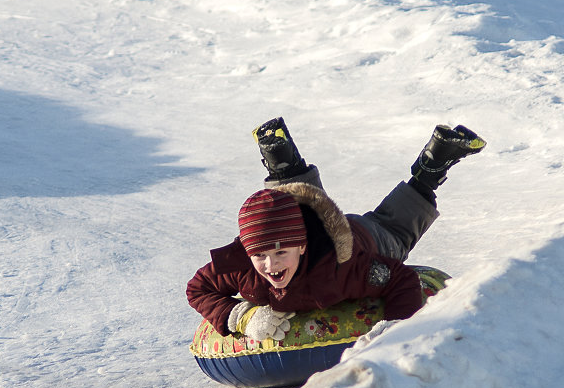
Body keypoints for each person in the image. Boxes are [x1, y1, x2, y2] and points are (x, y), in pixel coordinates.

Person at [186, 117, 485, 341]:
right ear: (247, 251)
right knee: (291, 207)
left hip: (366, 238)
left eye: (280, 253)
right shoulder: (242, 265)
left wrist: (394, 334)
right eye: (259, 255)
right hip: (308, 226)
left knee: (396, 231)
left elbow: (401, 279)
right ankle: (281, 158)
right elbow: (197, 288)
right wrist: (241, 316)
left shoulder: (343, 270)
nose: (270, 265)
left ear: (301, 247)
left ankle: (434, 165)